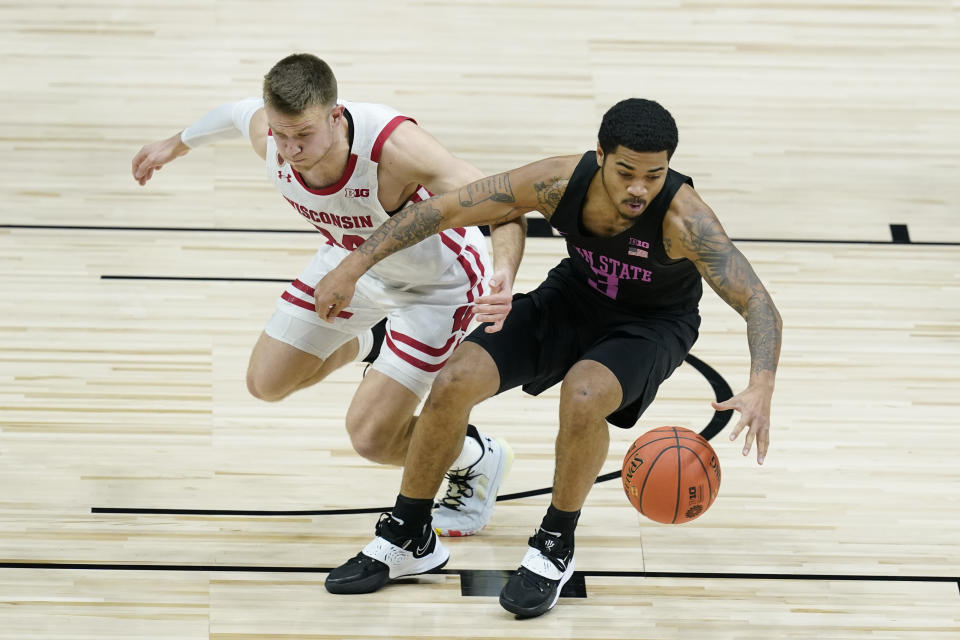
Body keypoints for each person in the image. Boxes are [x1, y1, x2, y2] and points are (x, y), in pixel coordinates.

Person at [313, 98, 782, 617]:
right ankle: (409, 535)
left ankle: (555, 542)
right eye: (626, 171)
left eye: (655, 175)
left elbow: (758, 303)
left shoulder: (686, 220)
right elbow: (442, 209)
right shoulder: (557, 183)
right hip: (573, 298)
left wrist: (761, 382)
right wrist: (353, 265)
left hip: (652, 326)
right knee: (454, 380)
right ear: (600, 154)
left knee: (583, 394)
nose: (639, 189)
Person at [130, 53, 526, 537]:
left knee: (372, 440)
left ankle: (475, 457)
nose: (291, 150)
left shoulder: (397, 150)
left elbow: (507, 204)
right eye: (282, 134)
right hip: (353, 267)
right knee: (267, 382)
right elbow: (236, 112)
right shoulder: (271, 136)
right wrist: (175, 144)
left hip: (438, 288)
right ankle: (375, 338)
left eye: (304, 135)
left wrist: (504, 270)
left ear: (336, 118)